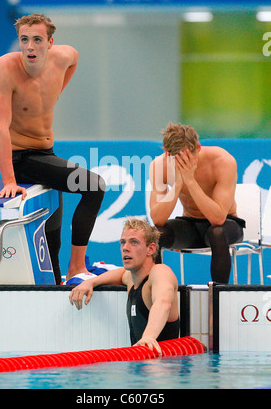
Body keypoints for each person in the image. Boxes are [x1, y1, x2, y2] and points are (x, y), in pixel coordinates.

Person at [0, 13, 105, 285]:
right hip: (23, 159)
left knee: (52, 247)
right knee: (94, 185)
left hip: (47, 157)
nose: (30, 47)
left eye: (37, 40)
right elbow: (0, 128)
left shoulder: (64, 57)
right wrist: (9, 180)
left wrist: (56, 91)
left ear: (50, 42)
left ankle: (63, 276)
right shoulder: (4, 70)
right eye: (24, 40)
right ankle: (77, 268)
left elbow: (75, 59)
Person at [149, 122, 245, 284]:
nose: (182, 163)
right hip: (191, 226)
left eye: (186, 158)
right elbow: (157, 219)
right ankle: (154, 291)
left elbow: (218, 218)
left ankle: (219, 295)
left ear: (198, 148)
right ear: (166, 153)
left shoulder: (223, 161)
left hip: (226, 226)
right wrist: (178, 184)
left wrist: (190, 180)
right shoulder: (160, 165)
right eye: (176, 159)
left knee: (217, 232)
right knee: (155, 234)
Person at [69, 218, 179, 354]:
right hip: (140, 364)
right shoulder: (131, 279)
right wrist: (91, 282)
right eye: (123, 242)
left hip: (164, 368)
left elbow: (163, 303)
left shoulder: (161, 272)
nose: (125, 248)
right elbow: (121, 273)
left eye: (134, 242)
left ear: (150, 249)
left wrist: (149, 337)